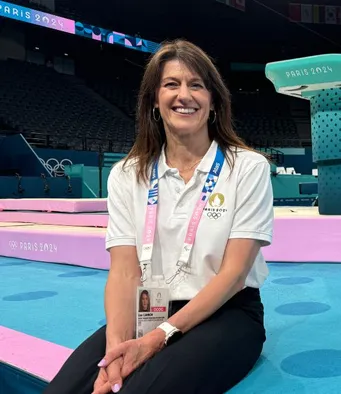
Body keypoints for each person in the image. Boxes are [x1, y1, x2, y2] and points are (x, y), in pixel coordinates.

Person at [44, 39, 274, 394]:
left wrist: (157, 338)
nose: (185, 95)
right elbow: (123, 271)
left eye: (197, 85)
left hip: (227, 313)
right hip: (150, 310)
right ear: (154, 100)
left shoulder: (246, 167)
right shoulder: (127, 174)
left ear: (213, 101)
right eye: (172, 84)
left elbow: (233, 275)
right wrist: (116, 347)